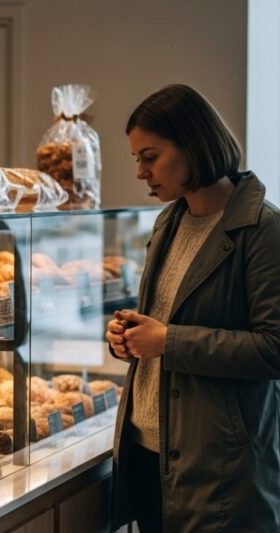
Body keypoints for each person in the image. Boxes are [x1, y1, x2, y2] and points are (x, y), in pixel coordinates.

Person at [105, 84, 280, 532]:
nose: (142, 172)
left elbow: (273, 348)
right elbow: (166, 318)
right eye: (137, 160)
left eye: (150, 156)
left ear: (194, 144)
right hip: (145, 453)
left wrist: (168, 341)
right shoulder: (169, 220)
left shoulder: (262, 230)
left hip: (215, 469)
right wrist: (127, 338)